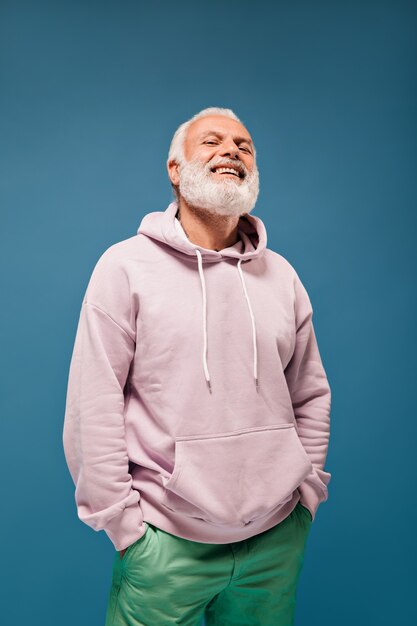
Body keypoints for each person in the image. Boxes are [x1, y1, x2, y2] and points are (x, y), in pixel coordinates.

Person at [62, 106, 332, 626]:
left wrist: (307, 494)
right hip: (165, 546)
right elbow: (93, 401)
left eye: (244, 146)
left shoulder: (282, 277)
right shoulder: (125, 267)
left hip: (275, 542)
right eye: (211, 141)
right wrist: (124, 526)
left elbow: (310, 392)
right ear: (174, 168)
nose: (231, 151)